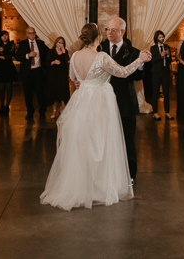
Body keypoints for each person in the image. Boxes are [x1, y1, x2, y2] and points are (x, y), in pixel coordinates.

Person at [40, 23, 151, 211]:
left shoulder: (74, 55)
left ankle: (81, 186)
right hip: (100, 103)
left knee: (82, 143)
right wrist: (140, 59)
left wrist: (81, 83)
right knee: (101, 142)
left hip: (81, 102)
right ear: (98, 37)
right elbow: (123, 73)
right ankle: (99, 187)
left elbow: (74, 78)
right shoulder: (101, 57)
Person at [100, 17, 145, 183]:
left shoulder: (133, 51)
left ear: (122, 32)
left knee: (127, 141)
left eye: (113, 30)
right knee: (104, 139)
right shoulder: (100, 48)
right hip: (103, 102)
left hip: (125, 102)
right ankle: (106, 174)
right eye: (107, 29)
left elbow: (139, 76)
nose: (109, 33)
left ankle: (130, 176)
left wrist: (140, 63)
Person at [15, 27, 49, 121]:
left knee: (40, 93)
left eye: (33, 33)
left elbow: (47, 54)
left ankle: (42, 112)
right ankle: (30, 112)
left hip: (38, 71)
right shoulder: (22, 44)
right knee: (28, 94)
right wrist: (27, 55)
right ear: (26, 34)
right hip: (27, 72)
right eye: (30, 33)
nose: (32, 35)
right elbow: (17, 57)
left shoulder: (40, 43)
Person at [149, 30, 173, 121]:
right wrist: (161, 55)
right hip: (156, 72)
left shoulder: (167, 47)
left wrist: (167, 55)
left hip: (165, 72)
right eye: (160, 37)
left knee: (166, 92)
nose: (161, 38)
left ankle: (167, 112)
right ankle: (155, 113)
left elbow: (170, 61)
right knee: (155, 92)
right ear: (156, 38)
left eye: (162, 36)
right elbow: (152, 61)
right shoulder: (153, 48)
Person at [46, 37, 71, 119]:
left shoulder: (65, 52)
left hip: (62, 75)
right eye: (59, 42)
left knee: (63, 92)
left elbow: (67, 60)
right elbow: (47, 63)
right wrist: (53, 62)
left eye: (62, 43)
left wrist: (63, 50)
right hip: (53, 75)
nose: (60, 44)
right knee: (54, 92)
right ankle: (54, 110)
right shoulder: (51, 51)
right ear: (56, 42)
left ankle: (64, 109)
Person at [0, 31, 17, 115]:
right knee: (1, 88)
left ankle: (7, 106)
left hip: (9, 67)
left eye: (6, 35)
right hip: (1, 67)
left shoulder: (11, 44)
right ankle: (1, 106)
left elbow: (10, 55)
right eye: (3, 35)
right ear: (0, 37)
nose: (5, 37)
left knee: (9, 87)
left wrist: (3, 56)